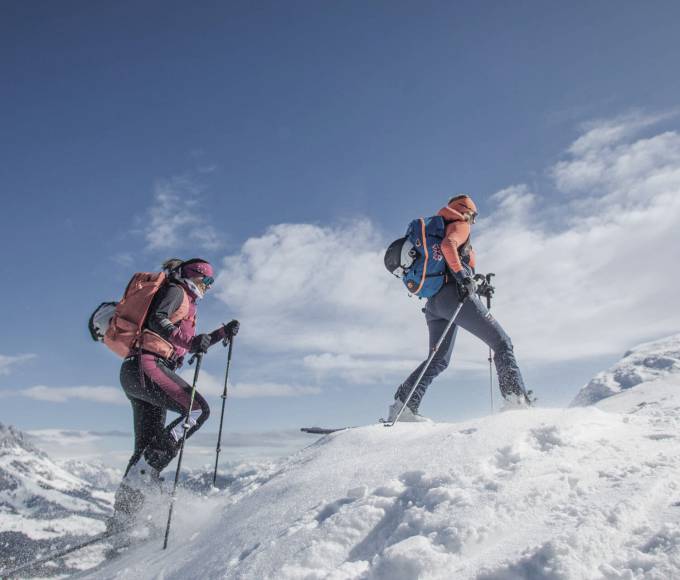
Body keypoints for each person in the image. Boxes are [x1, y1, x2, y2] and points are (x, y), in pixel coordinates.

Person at [111, 258, 239, 528]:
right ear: (195, 275)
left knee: (145, 447)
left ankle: (123, 521)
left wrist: (220, 333)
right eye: (207, 280)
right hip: (147, 367)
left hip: (136, 372)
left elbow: (190, 341)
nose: (209, 286)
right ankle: (149, 468)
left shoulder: (184, 300)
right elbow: (159, 321)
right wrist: (191, 342)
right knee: (197, 409)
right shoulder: (177, 291)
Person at [387, 195, 529, 422]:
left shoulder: (439, 228)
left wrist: (473, 283)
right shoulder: (459, 224)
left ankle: (403, 406)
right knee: (502, 343)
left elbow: (448, 263)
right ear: (467, 212)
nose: (473, 222)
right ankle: (516, 400)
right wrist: (464, 277)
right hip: (454, 297)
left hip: (434, 304)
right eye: (474, 216)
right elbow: (448, 246)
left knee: (438, 359)